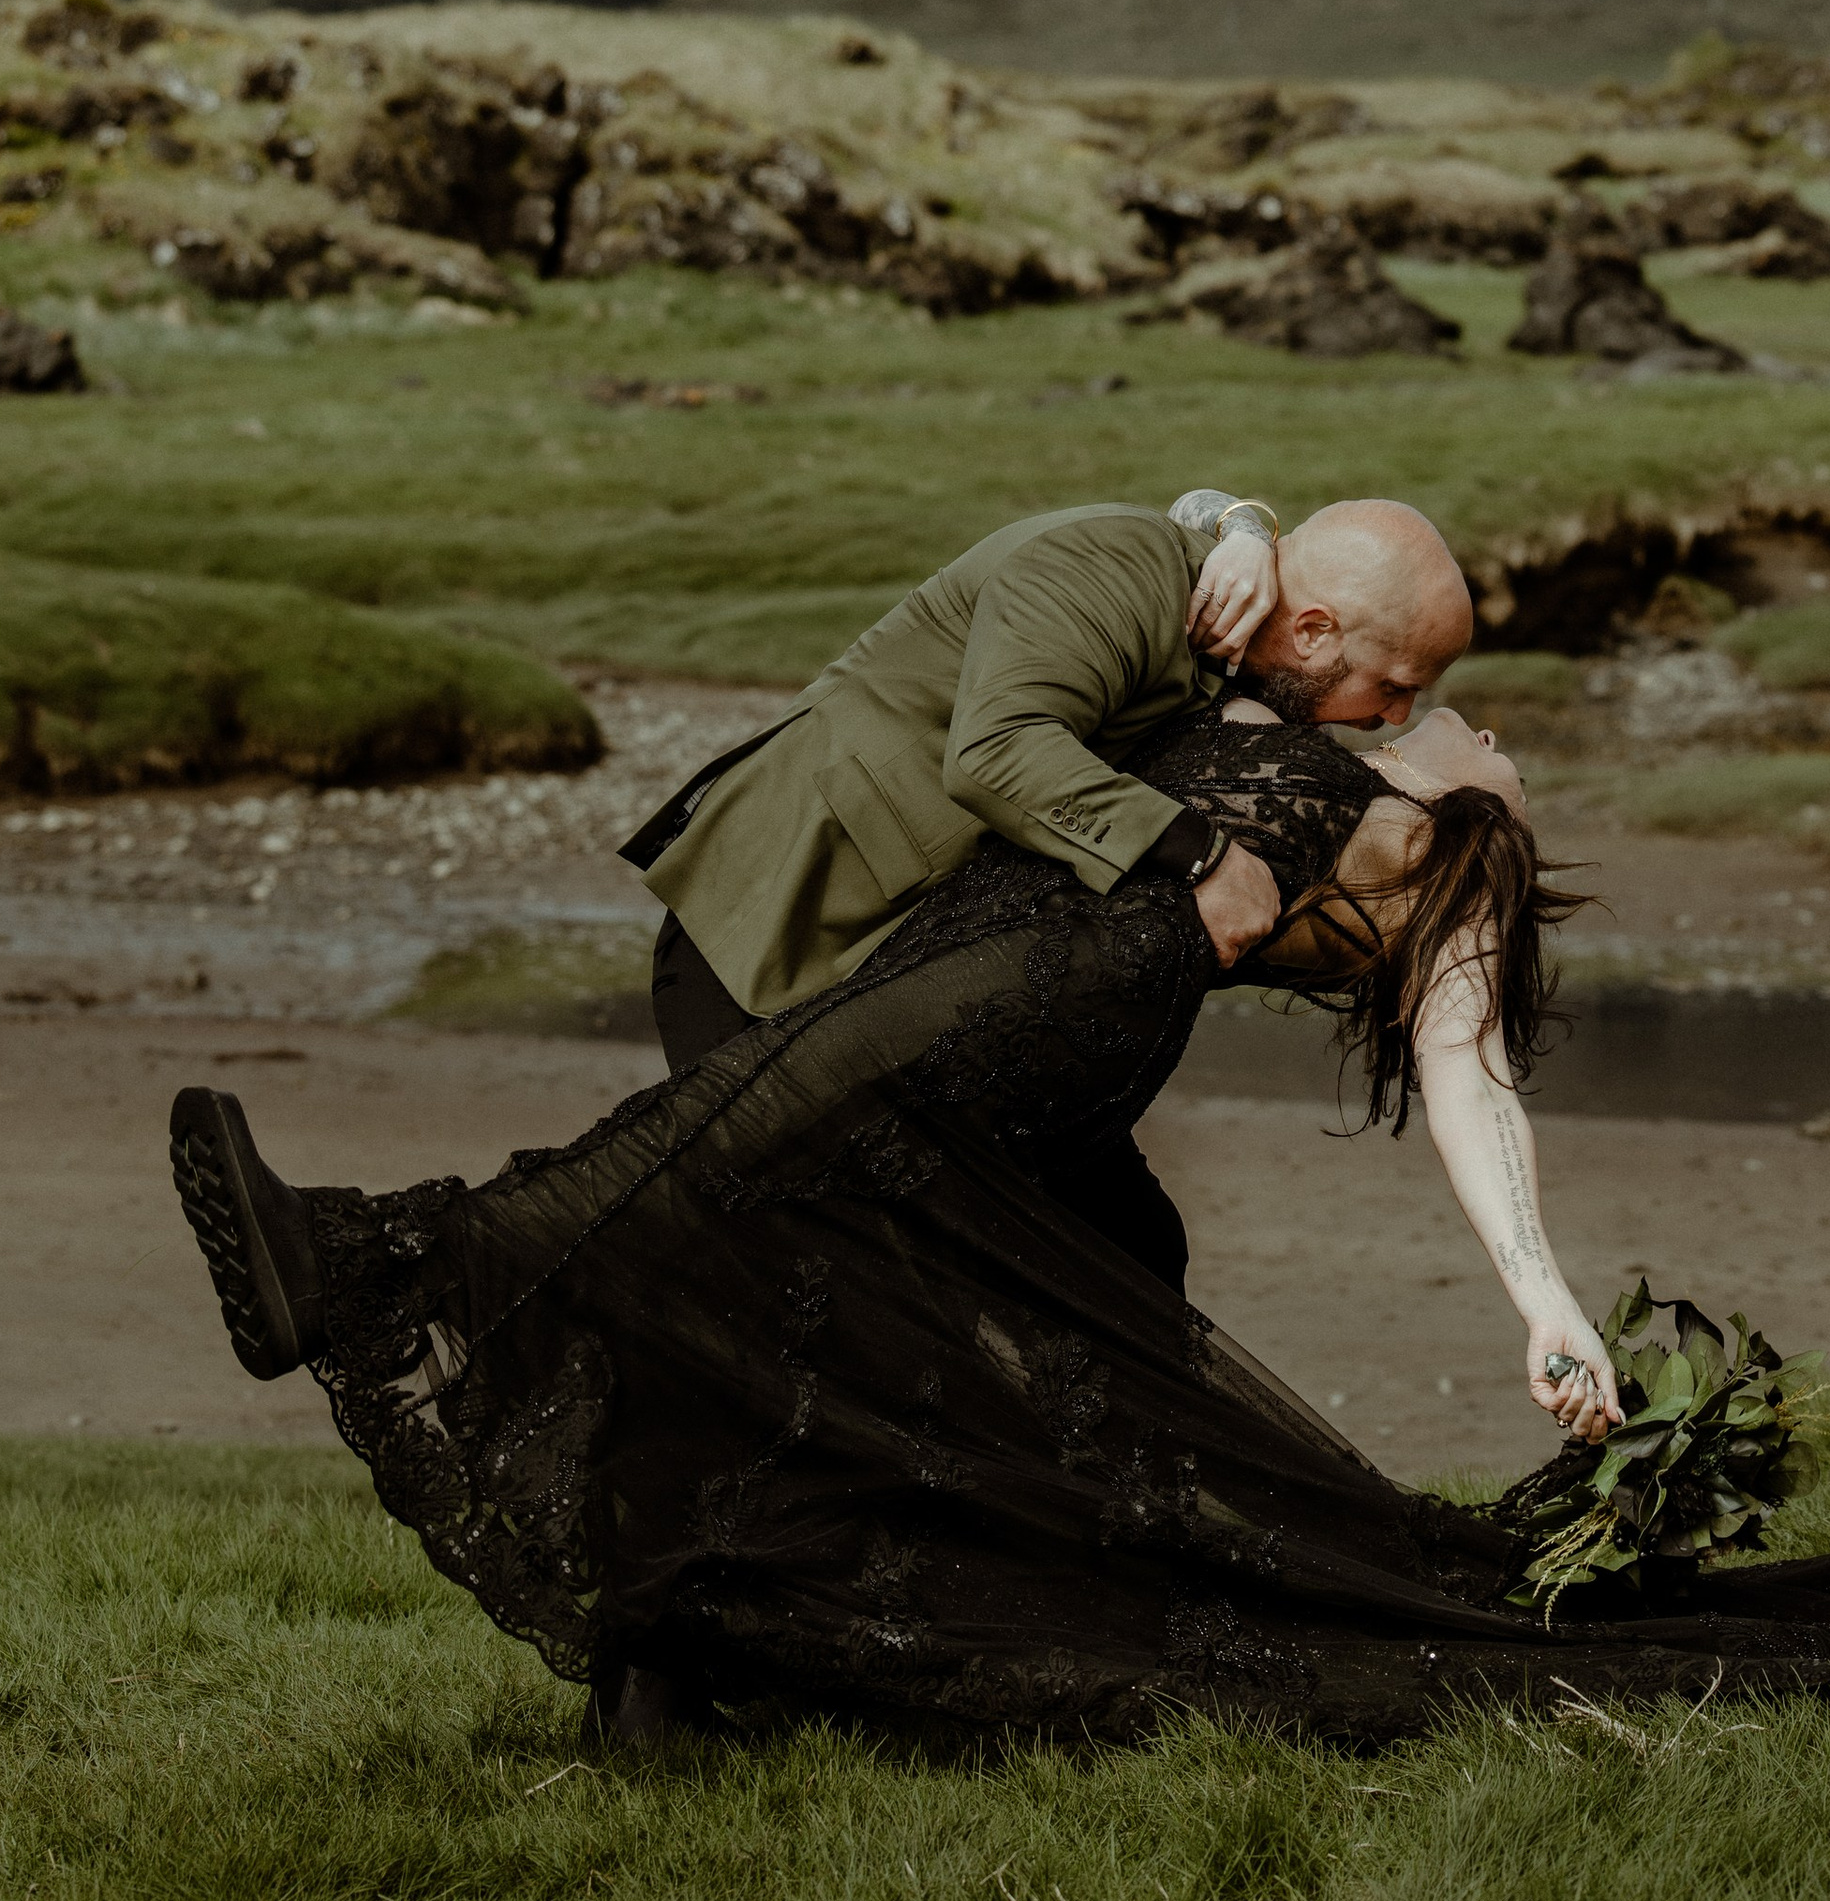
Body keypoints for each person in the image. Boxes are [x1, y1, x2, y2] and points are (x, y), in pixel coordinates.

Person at [169, 663, 1830, 1751]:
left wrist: (1542, 1298)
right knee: (969, 1303)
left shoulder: (1442, 839)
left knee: (763, 1192)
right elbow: (970, 694)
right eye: (1422, 671)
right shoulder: (1254, 701)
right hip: (1000, 986)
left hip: (1045, 995)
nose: (1439, 698)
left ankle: (391, 1261)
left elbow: (1472, 1072)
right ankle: (710, 1645)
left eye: (1456, 698)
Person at [626, 488, 1495, 1317]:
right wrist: (1204, 857)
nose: (1396, 716)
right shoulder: (1108, 565)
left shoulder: (1237, 621)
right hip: (774, 927)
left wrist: (1238, 521)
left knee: (1131, 1248)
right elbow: (998, 752)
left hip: (923, 974)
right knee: (793, 1259)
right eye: (1393, 684)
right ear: (1313, 630)